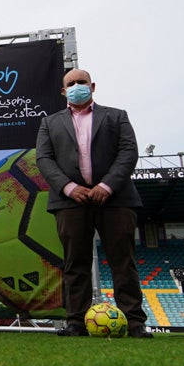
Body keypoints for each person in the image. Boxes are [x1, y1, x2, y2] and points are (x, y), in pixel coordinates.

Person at [35, 69, 152, 339]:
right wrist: (70, 187)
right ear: (63, 91)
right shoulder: (49, 123)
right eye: (71, 84)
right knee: (75, 262)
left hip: (116, 199)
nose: (77, 86)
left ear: (93, 86)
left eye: (81, 82)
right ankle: (76, 322)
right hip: (70, 202)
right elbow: (44, 159)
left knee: (124, 261)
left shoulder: (117, 116)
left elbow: (128, 152)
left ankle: (135, 323)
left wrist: (106, 186)